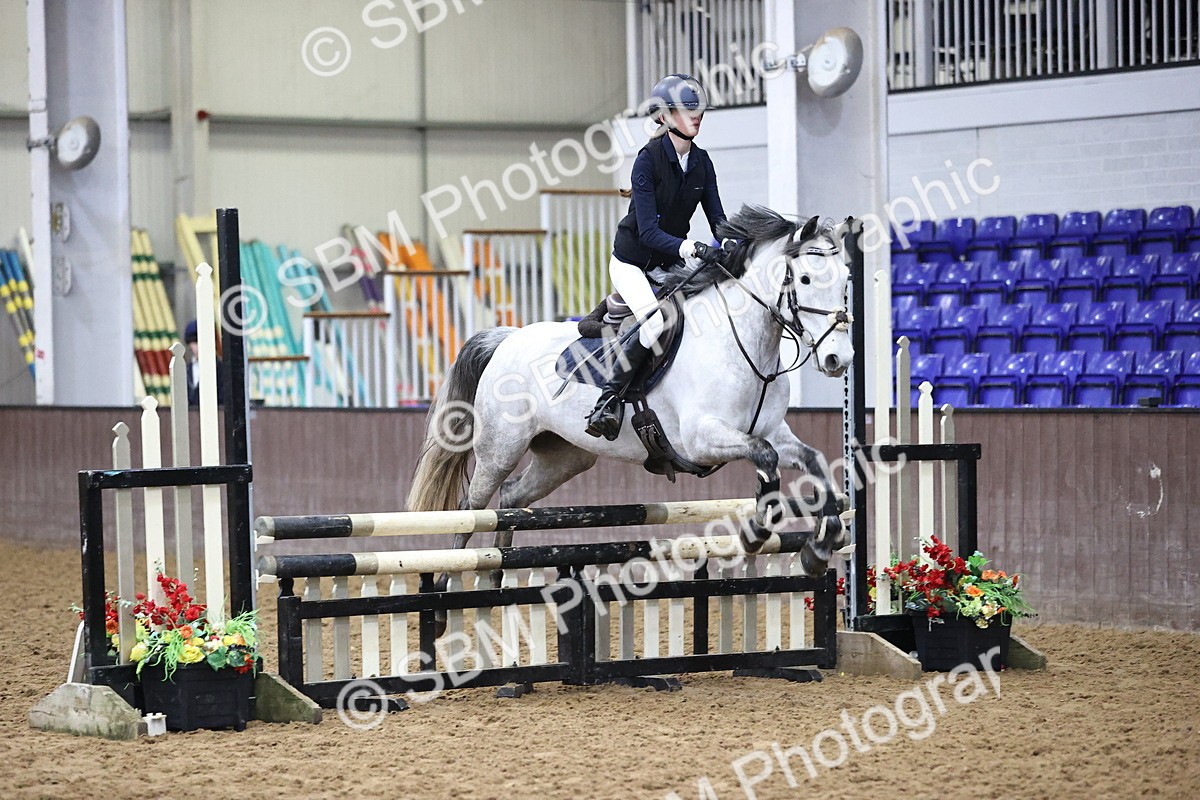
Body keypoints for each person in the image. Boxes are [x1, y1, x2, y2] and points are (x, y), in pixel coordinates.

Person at [585, 73, 728, 440]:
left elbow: (719, 223)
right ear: (664, 117)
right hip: (632, 262)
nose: (696, 116)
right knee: (652, 325)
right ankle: (607, 400)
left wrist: (740, 245)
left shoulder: (702, 162)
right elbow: (648, 232)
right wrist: (689, 247)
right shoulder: (646, 161)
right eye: (685, 110)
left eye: (698, 109)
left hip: (668, 264)